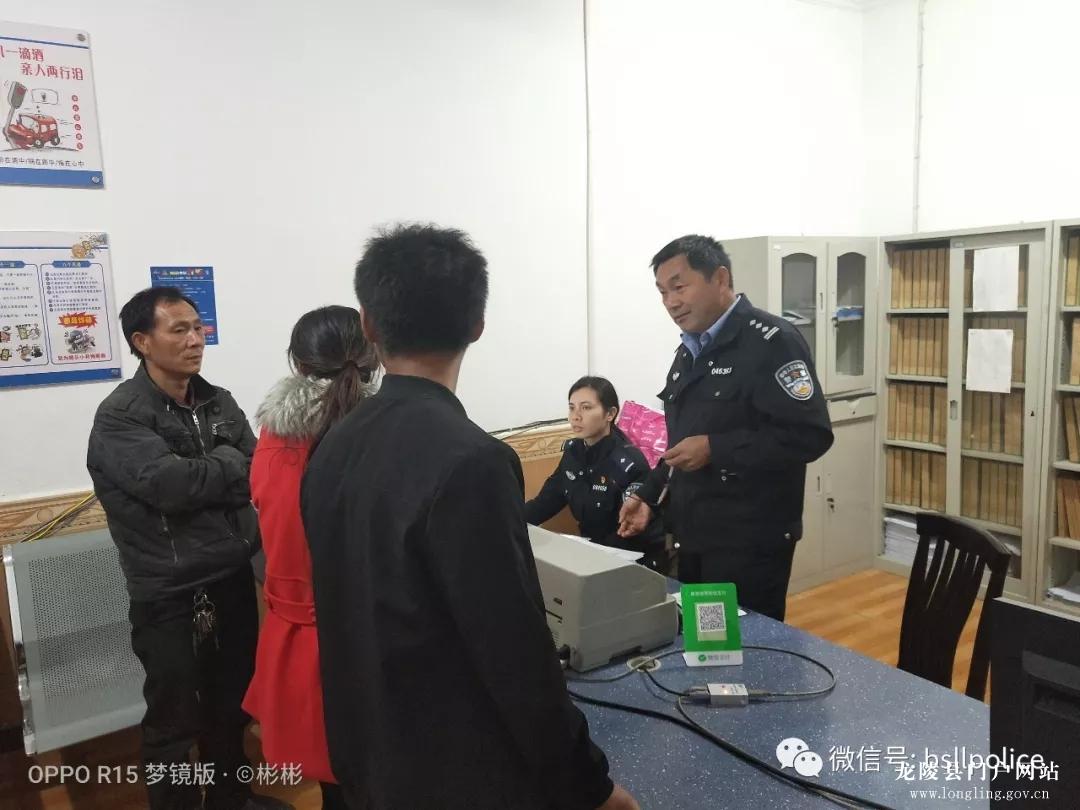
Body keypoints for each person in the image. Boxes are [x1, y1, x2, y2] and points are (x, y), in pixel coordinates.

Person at [301, 224, 639, 810]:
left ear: (368, 325)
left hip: (363, 752)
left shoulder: (333, 444)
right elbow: (516, 655)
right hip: (452, 769)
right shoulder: (473, 461)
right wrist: (592, 785)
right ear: (477, 325)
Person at [86, 287, 291, 810]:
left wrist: (212, 473)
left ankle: (231, 799)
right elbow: (168, 487)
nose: (195, 339)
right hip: (168, 589)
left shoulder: (218, 400)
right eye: (179, 330)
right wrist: (225, 464)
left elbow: (259, 469)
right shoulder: (121, 416)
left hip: (230, 576)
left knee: (231, 702)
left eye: (198, 328)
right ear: (142, 342)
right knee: (173, 717)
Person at [618, 235, 833, 621]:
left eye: (679, 287)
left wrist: (717, 449)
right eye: (662, 292)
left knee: (748, 647)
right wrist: (648, 496)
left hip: (750, 543)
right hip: (694, 536)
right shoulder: (690, 350)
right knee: (706, 645)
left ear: (719, 278)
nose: (671, 302)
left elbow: (809, 435)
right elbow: (683, 444)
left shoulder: (772, 342)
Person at [242, 306, 378, 810]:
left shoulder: (276, 436)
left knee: (333, 780)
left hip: (299, 634)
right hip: (375, 636)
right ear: (374, 356)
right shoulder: (388, 431)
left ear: (298, 363)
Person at [525, 375, 668, 571]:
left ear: (610, 414)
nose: (576, 416)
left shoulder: (628, 463)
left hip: (632, 563)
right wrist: (509, 521)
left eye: (586, 408)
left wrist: (586, 558)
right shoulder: (573, 453)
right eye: (572, 408)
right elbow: (545, 502)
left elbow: (631, 533)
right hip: (592, 557)